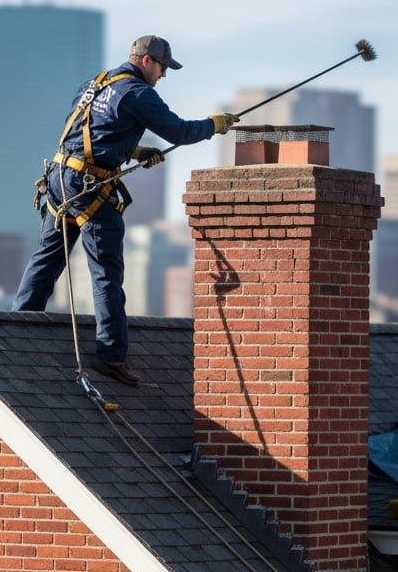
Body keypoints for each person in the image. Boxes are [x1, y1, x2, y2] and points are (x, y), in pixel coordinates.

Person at [12, 34, 235, 387]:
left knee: (48, 258)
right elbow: (178, 130)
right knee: (106, 269)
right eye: (163, 67)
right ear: (147, 60)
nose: (164, 75)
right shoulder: (138, 93)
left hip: (60, 178)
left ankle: (15, 330)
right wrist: (213, 126)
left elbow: (91, 130)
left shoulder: (96, 83)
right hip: (88, 187)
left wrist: (134, 151)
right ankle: (111, 354)